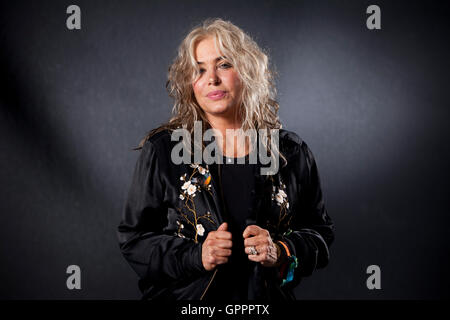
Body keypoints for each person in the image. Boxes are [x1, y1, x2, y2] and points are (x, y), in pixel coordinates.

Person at [117, 18, 334, 300]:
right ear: (189, 83)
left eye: (224, 64)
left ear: (247, 71)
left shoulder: (290, 152)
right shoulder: (163, 151)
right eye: (199, 69)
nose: (212, 79)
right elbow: (134, 239)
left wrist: (280, 251)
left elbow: (320, 233)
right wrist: (196, 255)